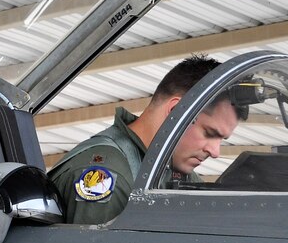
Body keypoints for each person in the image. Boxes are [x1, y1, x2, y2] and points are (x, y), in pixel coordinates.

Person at [48, 54, 243, 224]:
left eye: (222, 139)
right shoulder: (109, 176)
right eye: (209, 133)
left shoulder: (172, 172)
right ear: (177, 112)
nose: (215, 152)